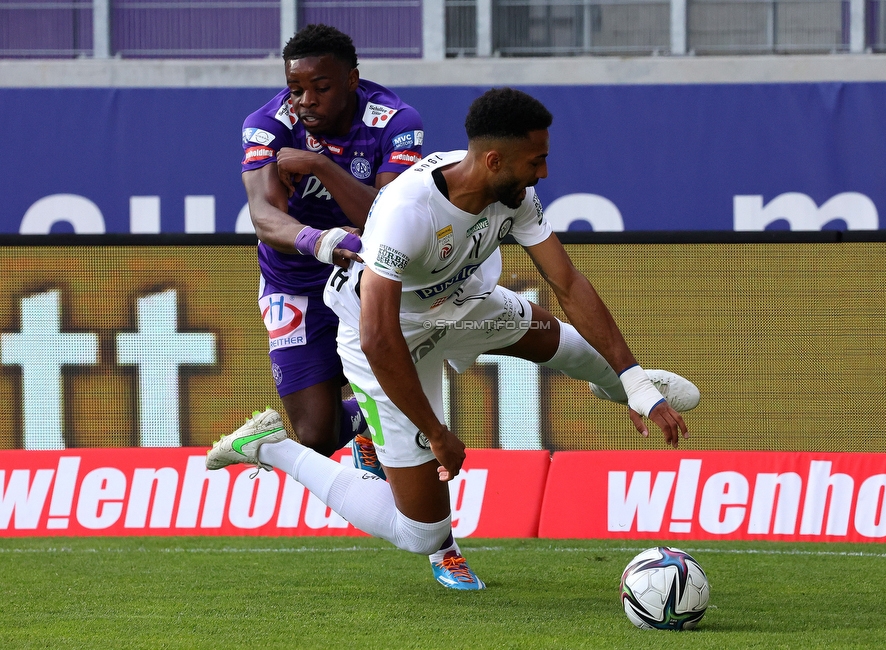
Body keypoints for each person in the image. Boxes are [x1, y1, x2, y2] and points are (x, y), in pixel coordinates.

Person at [211, 88, 700, 591]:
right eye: (538, 161)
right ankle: (270, 446)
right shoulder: (409, 211)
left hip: (463, 302)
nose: (544, 173)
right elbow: (379, 339)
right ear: (493, 160)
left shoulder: (516, 193)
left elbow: (568, 284)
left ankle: (628, 390)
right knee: (422, 533)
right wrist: (436, 431)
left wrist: (634, 380)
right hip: (388, 339)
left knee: (569, 346)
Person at [240, 24, 425, 474]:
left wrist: (320, 166)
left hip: (366, 278)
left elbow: (387, 217)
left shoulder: (396, 121)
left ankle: (384, 424)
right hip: (294, 283)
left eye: (319, 88)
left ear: (351, 81)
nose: (305, 101)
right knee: (315, 435)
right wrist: (320, 241)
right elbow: (265, 217)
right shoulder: (267, 126)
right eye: (295, 89)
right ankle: (362, 422)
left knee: (388, 380)